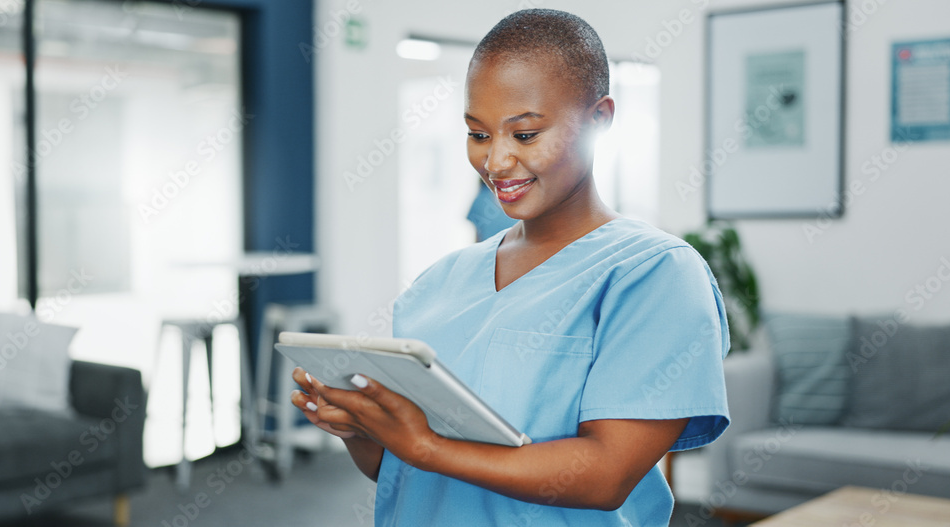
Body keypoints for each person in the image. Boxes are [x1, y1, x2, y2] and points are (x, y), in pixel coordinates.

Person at [291, 8, 729, 526]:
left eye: (524, 136)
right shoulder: (439, 283)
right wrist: (362, 430)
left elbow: (607, 474)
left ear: (599, 119)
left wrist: (426, 446)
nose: (495, 163)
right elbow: (403, 471)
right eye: (478, 135)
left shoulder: (654, 274)